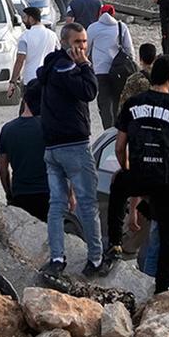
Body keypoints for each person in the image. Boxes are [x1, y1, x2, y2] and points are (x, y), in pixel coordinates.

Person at [105, 56, 169, 293]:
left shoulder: (133, 103)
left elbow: (119, 146)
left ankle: (115, 243)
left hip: (141, 173)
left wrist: (127, 170)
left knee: (118, 186)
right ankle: (164, 290)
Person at [31, 22, 103, 278]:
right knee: (86, 204)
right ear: (65, 43)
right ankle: (95, 259)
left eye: (84, 42)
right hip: (74, 145)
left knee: (57, 204)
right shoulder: (68, 67)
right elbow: (90, 91)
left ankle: (57, 257)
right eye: (77, 42)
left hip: (52, 147)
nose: (82, 47)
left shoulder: (50, 66)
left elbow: (33, 92)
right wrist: (85, 65)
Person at [88, 3, 136, 131]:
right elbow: (129, 50)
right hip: (119, 70)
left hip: (100, 70)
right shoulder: (121, 27)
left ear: (100, 14)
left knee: (104, 100)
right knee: (117, 98)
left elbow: (86, 49)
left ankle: (108, 129)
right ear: (113, 14)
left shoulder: (93, 28)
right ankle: (118, 127)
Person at [10, 6, 57, 102]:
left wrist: (13, 81)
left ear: (31, 19)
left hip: (31, 79)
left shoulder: (25, 36)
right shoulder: (52, 35)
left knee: (29, 110)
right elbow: (58, 54)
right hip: (48, 79)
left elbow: (20, 60)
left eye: (25, 17)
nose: (23, 20)